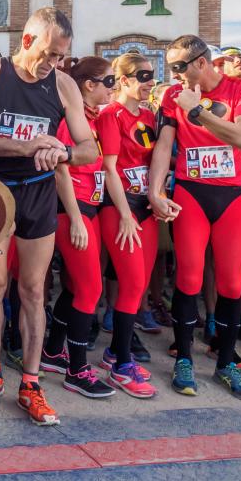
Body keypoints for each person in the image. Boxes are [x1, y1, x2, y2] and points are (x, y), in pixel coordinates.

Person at [0, 7, 95, 426]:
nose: (54, 64)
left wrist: (62, 152)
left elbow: (89, 149)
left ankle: (32, 383)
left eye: (61, 57)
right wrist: (25, 147)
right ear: (26, 42)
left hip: (38, 195)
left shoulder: (63, 86)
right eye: (50, 55)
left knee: (34, 290)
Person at [149, 34, 241, 400]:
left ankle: (226, 362)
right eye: (171, 69)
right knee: (189, 277)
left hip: (232, 195)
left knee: (231, 284)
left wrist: (197, 111)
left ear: (201, 62)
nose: (175, 75)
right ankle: (184, 358)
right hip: (191, 193)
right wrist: (155, 191)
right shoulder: (172, 96)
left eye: (180, 67)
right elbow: (164, 146)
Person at [43, 57, 116, 400]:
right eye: (109, 81)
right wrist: (74, 218)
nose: (112, 88)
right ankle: (77, 370)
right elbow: (60, 168)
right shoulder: (69, 120)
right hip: (72, 210)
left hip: (88, 207)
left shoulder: (91, 118)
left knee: (76, 287)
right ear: (89, 85)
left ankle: (54, 352)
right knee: (89, 290)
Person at [96, 52, 162, 397]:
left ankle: (113, 354)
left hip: (145, 206)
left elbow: (155, 161)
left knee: (139, 285)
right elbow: (109, 167)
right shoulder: (110, 115)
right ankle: (121, 365)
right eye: (142, 75)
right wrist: (124, 213)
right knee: (133, 282)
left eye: (152, 74)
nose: (149, 81)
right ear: (122, 80)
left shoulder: (149, 114)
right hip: (120, 208)